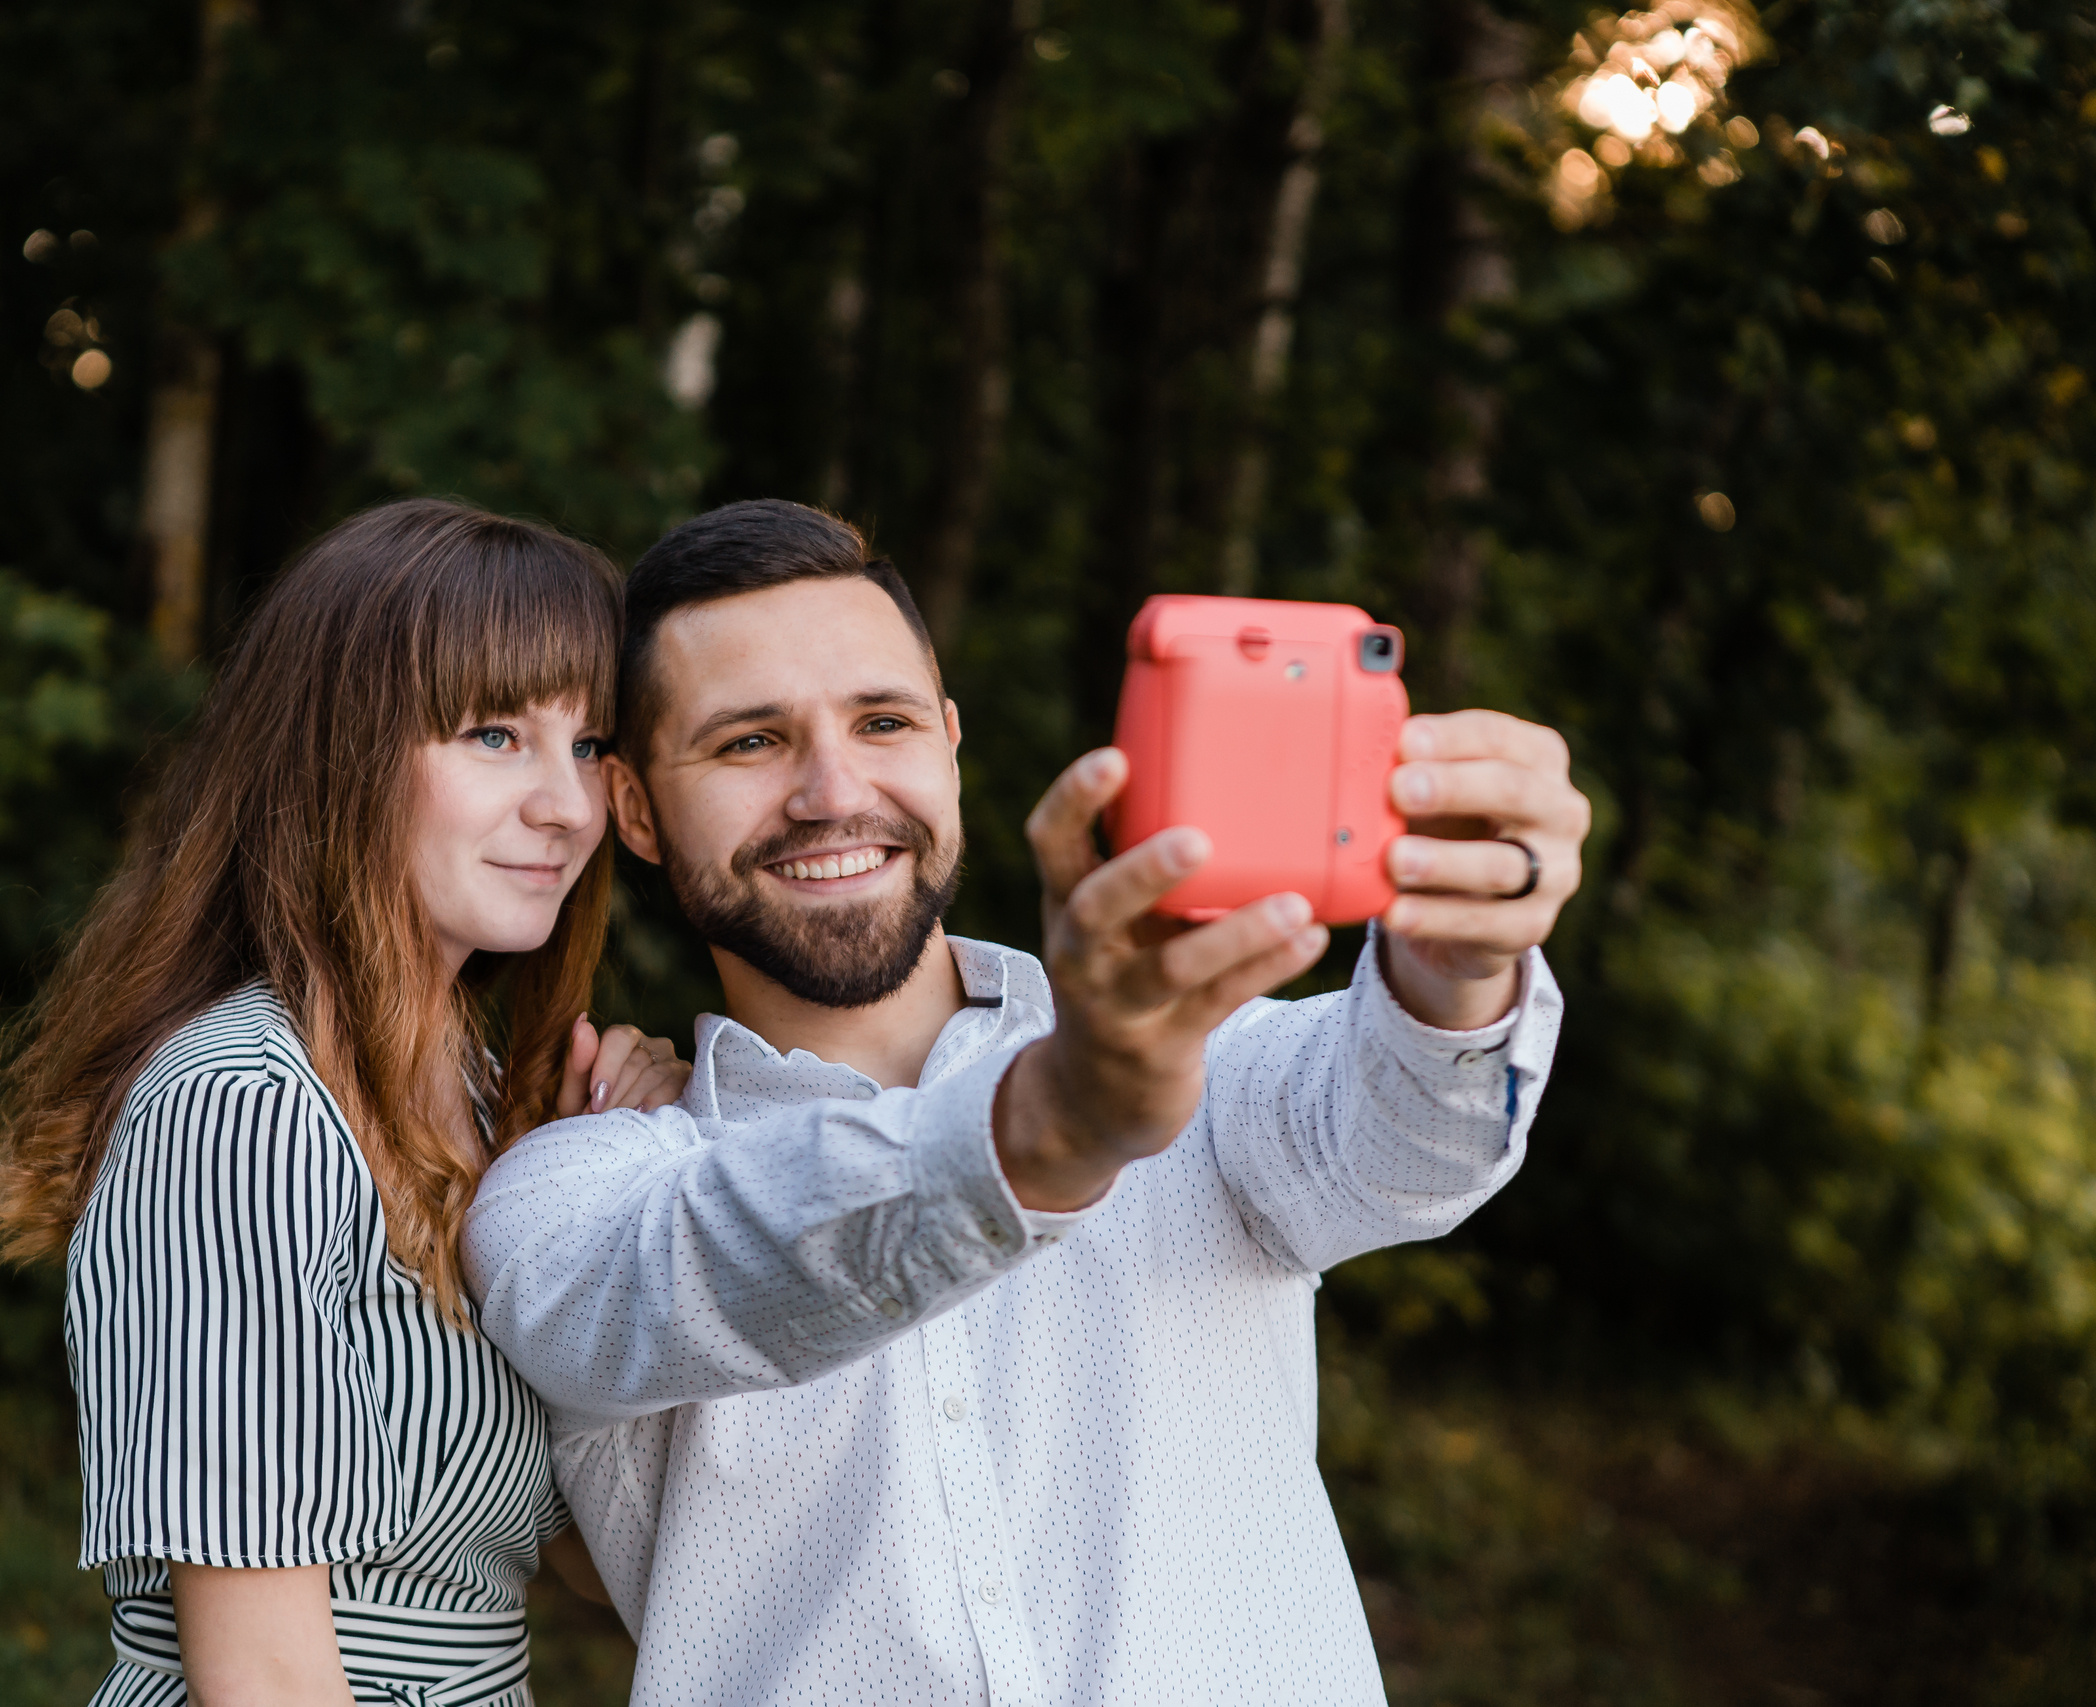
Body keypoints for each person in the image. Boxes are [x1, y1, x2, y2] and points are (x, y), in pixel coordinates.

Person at [464, 500, 1591, 1705]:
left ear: (949, 744)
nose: (831, 790)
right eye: (749, 743)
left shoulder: (1211, 1065)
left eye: (882, 721)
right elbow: (714, 1264)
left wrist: (1456, 970)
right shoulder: (574, 1193)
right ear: (635, 809)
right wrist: (1050, 1125)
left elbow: (1406, 1139)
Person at [0, 499, 685, 1707]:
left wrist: (598, 1213)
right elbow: (262, 1682)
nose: (567, 806)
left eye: (587, 745)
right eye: (495, 736)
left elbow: (585, 1564)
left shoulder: (476, 1098)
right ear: (341, 753)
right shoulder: (240, 1112)